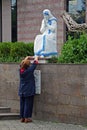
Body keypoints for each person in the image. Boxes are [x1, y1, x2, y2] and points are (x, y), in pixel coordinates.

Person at [18, 56, 38, 123]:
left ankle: (22, 118)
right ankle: (26, 118)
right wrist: (36, 57)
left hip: (22, 90)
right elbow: (35, 63)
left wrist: (26, 58)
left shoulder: (20, 70)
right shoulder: (29, 70)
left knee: (22, 104)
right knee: (28, 104)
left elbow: (22, 64)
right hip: (29, 90)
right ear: (28, 66)